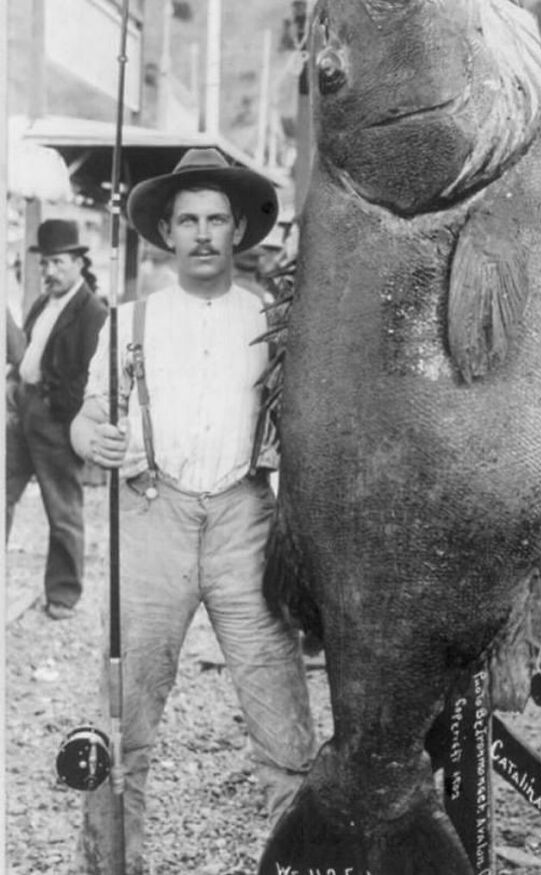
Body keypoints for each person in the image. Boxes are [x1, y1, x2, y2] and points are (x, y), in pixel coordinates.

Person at [70, 148, 316, 874]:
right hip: (153, 516)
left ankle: (298, 861)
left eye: (217, 219)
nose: (203, 233)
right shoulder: (128, 320)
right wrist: (99, 438)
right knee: (125, 713)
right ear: (166, 233)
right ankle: (112, 864)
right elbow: (83, 421)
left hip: (247, 517)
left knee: (281, 716)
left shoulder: (273, 321)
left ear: (239, 230)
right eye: (189, 220)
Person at [6, 219, 107, 620]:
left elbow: (90, 375)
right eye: (45, 263)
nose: (49, 271)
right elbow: (28, 351)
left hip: (59, 421)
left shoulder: (92, 311)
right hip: (23, 415)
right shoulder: (43, 302)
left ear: (79, 262)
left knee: (62, 509)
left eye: (58, 262)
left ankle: (63, 595)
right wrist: (17, 386)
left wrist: (60, 411)